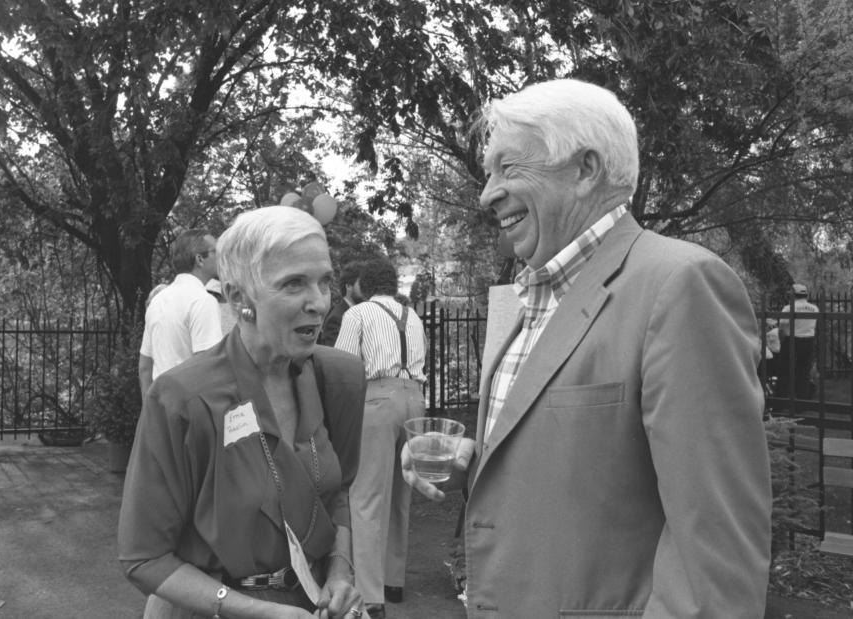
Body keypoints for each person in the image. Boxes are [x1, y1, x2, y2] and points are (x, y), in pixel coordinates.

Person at [402, 79, 772, 617]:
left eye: (508, 168)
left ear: (585, 170)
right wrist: (470, 464)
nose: (486, 194)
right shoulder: (531, 293)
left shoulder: (679, 284)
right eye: (488, 174)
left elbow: (716, 546)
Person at [119, 206, 369, 619]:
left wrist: (341, 573)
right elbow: (143, 558)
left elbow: (337, 493)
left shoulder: (339, 378)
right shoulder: (182, 398)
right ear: (239, 299)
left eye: (324, 282)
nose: (319, 303)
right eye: (293, 284)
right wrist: (254, 610)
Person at [334, 256, 427, 619]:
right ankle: (394, 580)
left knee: (368, 495)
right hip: (414, 399)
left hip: (376, 398)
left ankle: (370, 595)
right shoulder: (414, 316)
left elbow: (343, 366)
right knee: (401, 491)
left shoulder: (357, 315)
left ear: (364, 285)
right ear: (392, 284)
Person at [138, 229, 223, 398]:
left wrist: (150, 412)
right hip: (191, 412)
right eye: (216, 251)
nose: (221, 256)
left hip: (160, 406)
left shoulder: (158, 300)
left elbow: (145, 368)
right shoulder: (202, 301)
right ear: (200, 259)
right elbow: (207, 369)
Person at [776, 282, 819, 399]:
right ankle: (802, 400)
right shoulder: (814, 309)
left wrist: (781, 342)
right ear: (806, 295)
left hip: (792, 341)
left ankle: (781, 399)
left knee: (785, 370)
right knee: (804, 372)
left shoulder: (788, 308)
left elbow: (782, 328)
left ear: (793, 295)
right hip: (808, 342)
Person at [319, 260, 364, 346]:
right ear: (348, 286)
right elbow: (335, 356)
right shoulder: (336, 318)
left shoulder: (364, 313)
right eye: (362, 284)